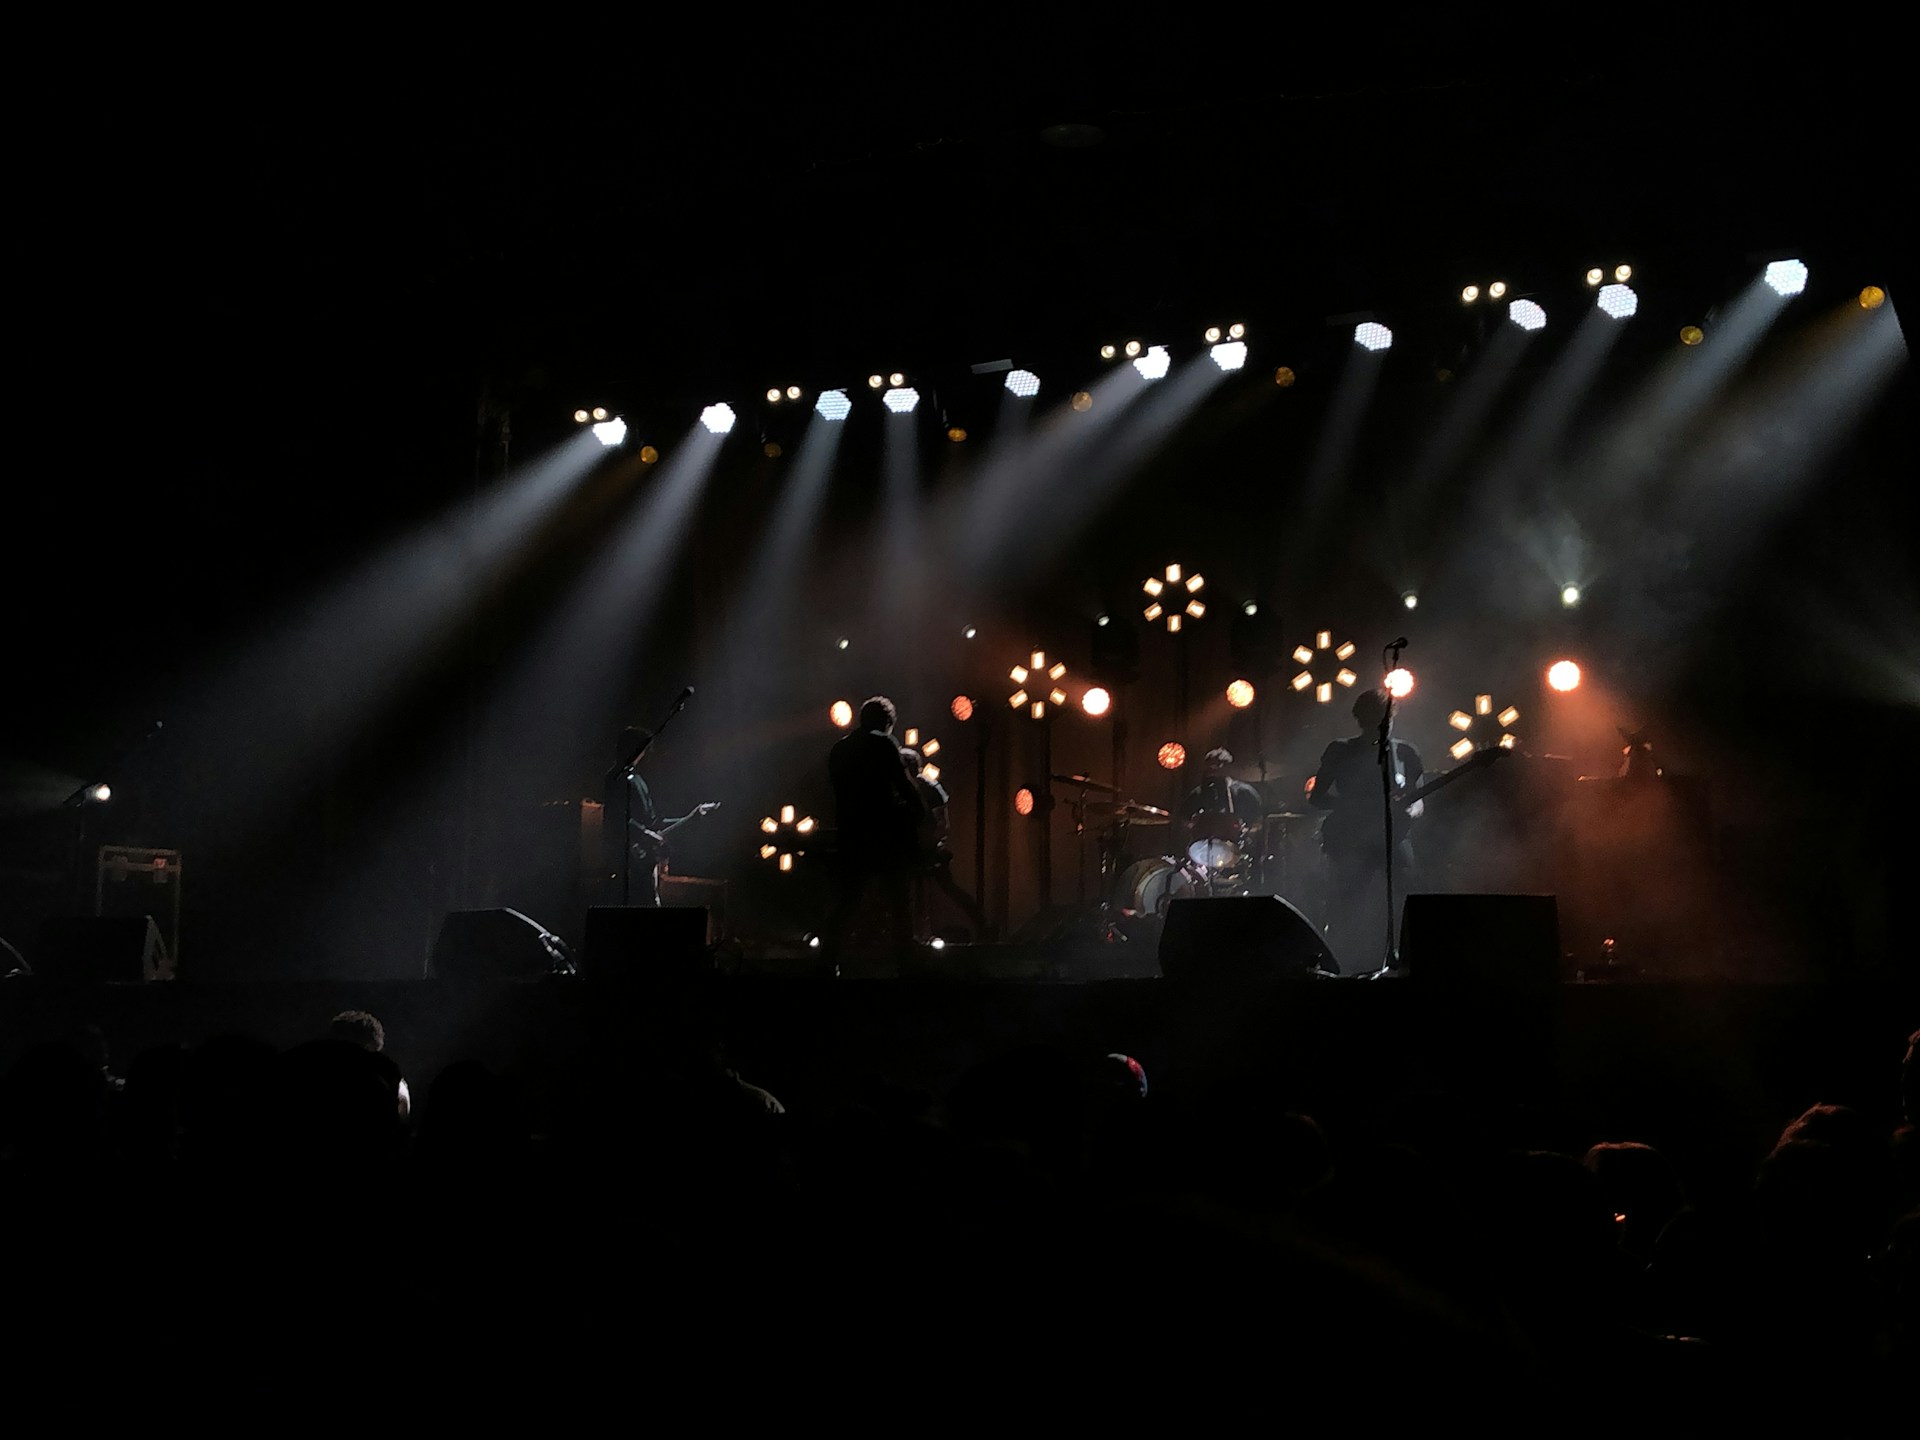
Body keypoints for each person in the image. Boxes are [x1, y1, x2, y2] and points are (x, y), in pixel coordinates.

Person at [1309, 687, 1423, 971]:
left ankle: (1406, 958)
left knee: (1409, 893)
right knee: (1347, 902)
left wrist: (1408, 808)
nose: (1381, 726)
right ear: (1361, 720)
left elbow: (1418, 802)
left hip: (1393, 836)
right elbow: (1317, 797)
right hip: (1351, 839)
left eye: (1385, 719)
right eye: (1373, 720)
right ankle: (1340, 962)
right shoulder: (1340, 750)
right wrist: (1354, 805)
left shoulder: (1406, 753)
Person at [824, 697, 928, 972]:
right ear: (887, 723)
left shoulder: (839, 749)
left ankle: (827, 960)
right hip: (884, 834)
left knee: (848, 900)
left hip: (851, 833)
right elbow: (902, 784)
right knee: (898, 901)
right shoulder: (883, 744)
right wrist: (921, 814)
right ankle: (906, 966)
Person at [601, 726, 718, 907]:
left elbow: (653, 822)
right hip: (627, 859)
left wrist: (691, 817)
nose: (644, 754)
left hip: (643, 857)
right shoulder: (616, 778)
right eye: (642, 748)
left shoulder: (638, 780)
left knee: (650, 902)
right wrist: (644, 834)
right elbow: (616, 819)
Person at [900, 744, 992, 943]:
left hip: (926, 849)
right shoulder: (927, 788)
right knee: (939, 889)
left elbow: (940, 822)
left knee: (923, 890)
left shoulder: (923, 789)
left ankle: (980, 924)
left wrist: (930, 842)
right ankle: (981, 924)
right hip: (923, 847)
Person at [1179, 748, 1264, 894]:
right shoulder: (1199, 794)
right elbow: (1183, 820)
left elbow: (1258, 822)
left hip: (1236, 849)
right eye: (1209, 765)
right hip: (1202, 850)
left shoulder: (1244, 792)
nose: (1213, 769)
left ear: (1228, 768)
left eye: (1218, 765)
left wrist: (1246, 833)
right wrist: (1191, 826)